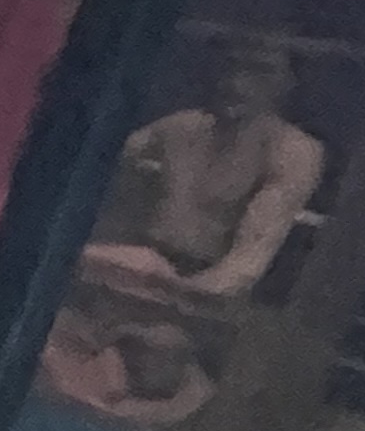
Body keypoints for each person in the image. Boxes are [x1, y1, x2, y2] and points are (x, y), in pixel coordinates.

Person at [90, 40, 327, 299]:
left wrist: (172, 290)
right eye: (231, 65)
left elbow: (244, 266)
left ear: (288, 83)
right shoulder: (180, 127)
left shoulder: (291, 150)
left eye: (260, 71)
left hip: (200, 292)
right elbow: (93, 162)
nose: (237, 83)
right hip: (129, 267)